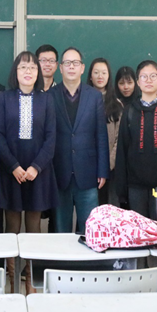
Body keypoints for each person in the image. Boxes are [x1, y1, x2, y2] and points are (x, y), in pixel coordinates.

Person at [0, 51, 59, 293]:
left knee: (34, 230)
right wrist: (14, 166)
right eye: (23, 67)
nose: (28, 71)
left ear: (38, 72)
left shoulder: (46, 100)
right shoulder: (4, 98)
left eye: (32, 67)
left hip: (37, 173)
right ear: (16, 72)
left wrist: (35, 167)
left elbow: (51, 138)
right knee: (12, 229)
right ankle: (12, 284)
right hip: (11, 172)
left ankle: (30, 283)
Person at [115, 60, 157, 219]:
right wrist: (122, 191)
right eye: (144, 76)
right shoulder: (129, 112)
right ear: (138, 82)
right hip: (135, 187)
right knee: (138, 230)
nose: (148, 80)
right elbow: (122, 152)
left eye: (153, 76)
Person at [49, 47, 109, 233]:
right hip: (59, 172)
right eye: (67, 63)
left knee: (89, 230)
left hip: (88, 173)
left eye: (75, 63)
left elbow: (101, 134)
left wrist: (103, 170)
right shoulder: (50, 96)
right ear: (61, 68)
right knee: (61, 231)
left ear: (82, 68)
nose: (71, 67)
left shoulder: (94, 96)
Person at [86, 58, 123, 206]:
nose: (100, 76)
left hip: (111, 168)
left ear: (109, 76)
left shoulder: (117, 104)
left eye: (104, 73)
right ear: (90, 76)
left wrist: (107, 165)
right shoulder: (83, 101)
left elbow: (119, 138)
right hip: (87, 166)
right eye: (96, 72)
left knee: (109, 208)